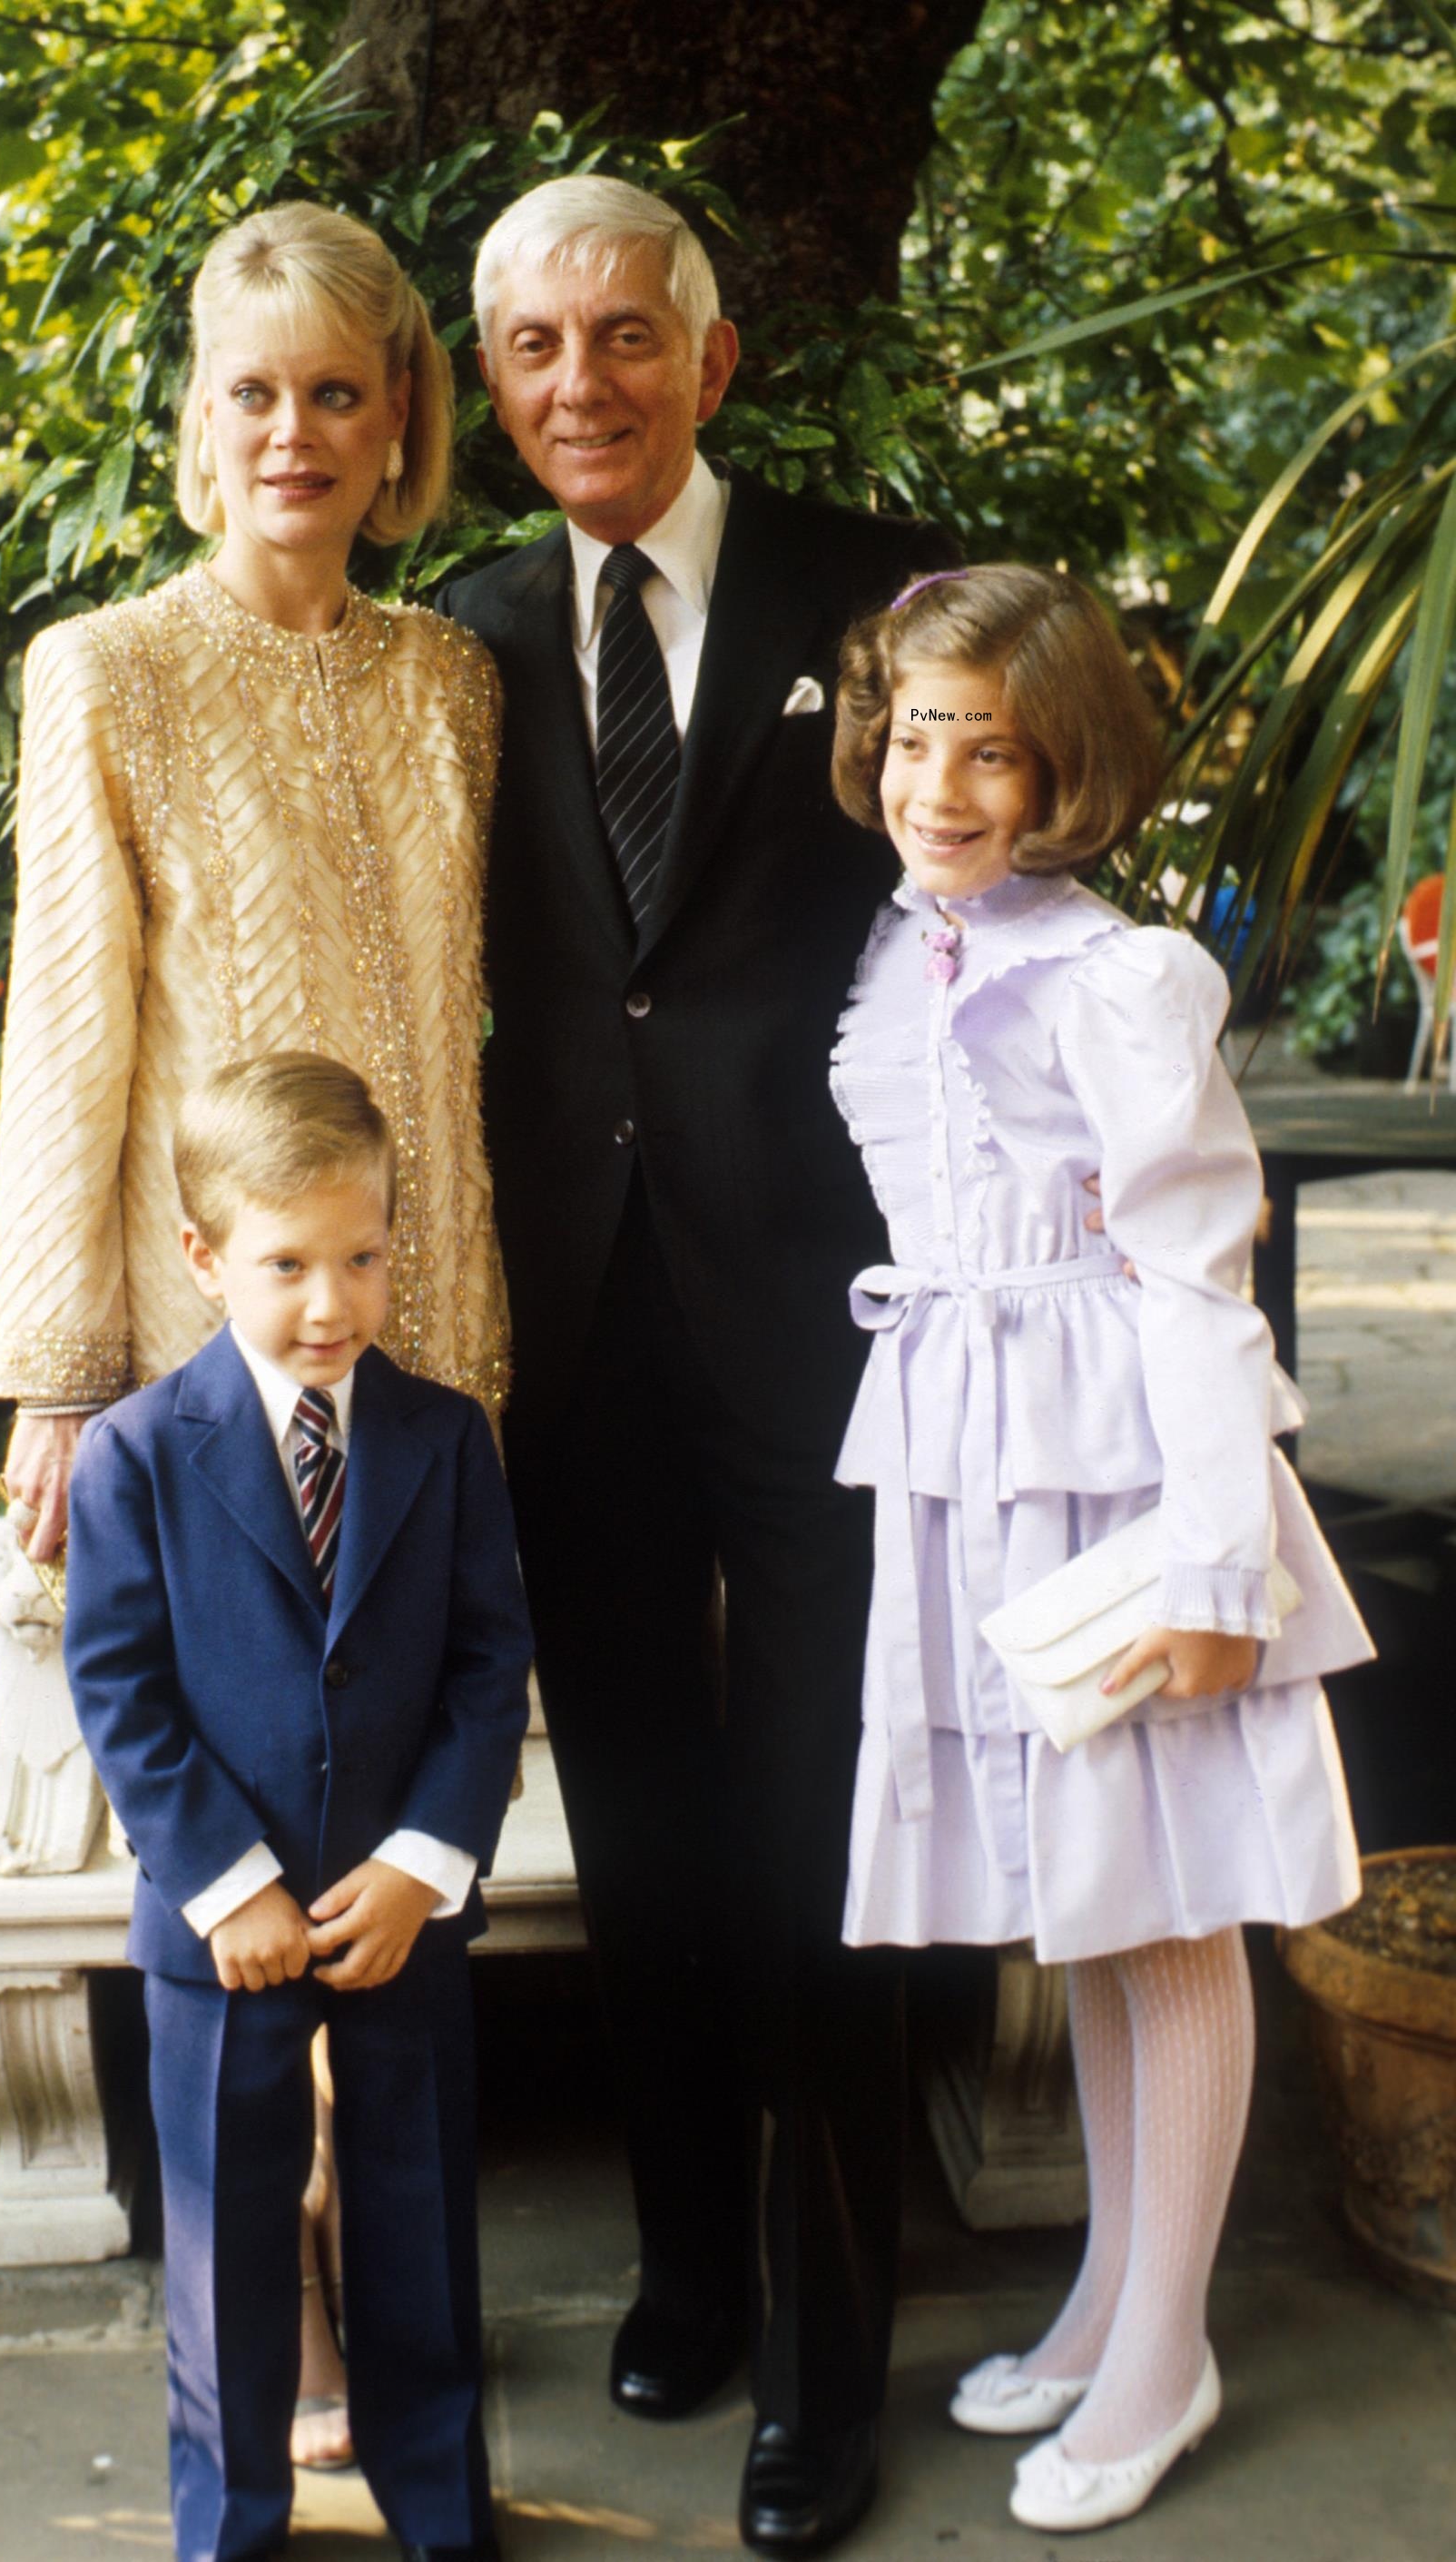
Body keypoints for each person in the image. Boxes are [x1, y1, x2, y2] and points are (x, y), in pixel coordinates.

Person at [438, 173, 958, 2556]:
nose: (585, 383)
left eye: (627, 333)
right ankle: (686, 2262)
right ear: (491, 380)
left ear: (714, 358)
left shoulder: (881, 596)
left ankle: (830, 2347)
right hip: (581, 1311)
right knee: (642, 1809)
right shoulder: (458, 637)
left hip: (838, 1304)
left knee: (838, 1813)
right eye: (537, 346)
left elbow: (1001, 889)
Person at [0, 199, 510, 2467]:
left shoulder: (453, 676)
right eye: (253, 393)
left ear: (398, 429)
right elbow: (66, 1027)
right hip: (207, 1346)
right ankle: (274, 2292)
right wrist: (59, 1368)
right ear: (199, 426)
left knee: (383, 1806)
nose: (294, 430)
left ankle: (392, 2288)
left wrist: (476, 1342)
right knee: (248, 1830)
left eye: (337, 393)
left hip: (427, 1321)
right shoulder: (107, 669)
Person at [827, 563, 1372, 2533]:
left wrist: (1219, 1571)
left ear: (1066, 769)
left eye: (993, 750)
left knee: (1169, 1905)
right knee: (1097, 1910)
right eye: (916, 736)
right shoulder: (910, 948)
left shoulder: (1116, 975)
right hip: (976, 1447)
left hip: (1120, 1470)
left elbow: (1197, 1274)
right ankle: (1106, 2304)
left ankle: (1165, 2355)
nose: (942, 785)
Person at [63, 1051, 530, 2562]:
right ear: (204, 1256)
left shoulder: (444, 1439)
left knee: (419, 2229)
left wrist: (423, 1863)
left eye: (363, 1257)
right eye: (287, 1264)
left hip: (397, 1914)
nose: (331, 1301)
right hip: (226, 1934)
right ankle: (232, 2524)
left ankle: (439, 2507)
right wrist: (228, 1883)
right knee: (227, 2255)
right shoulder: (139, 1453)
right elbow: (121, 1690)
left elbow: (488, 1664)